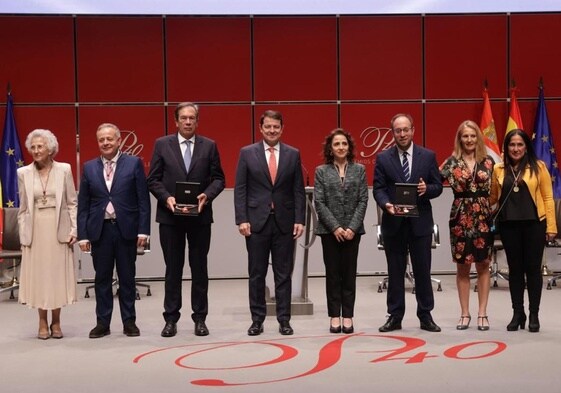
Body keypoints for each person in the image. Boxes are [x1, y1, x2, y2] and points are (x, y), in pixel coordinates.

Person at [147, 102, 225, 337]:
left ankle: (200, 318)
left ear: (197, 121)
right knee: (173, 269)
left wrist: (207, 195)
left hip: (199, 218)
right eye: (184, 118)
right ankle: (171, 319)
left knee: (199, 269)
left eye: (192, 118)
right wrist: (167, 198)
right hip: (170, 218)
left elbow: (219, 179)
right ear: (176, 121)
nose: (188, 122)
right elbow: (153, 179)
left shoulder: (209, 146)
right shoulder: (162, 145)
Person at [234, 109, 306, 336]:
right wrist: (241, 219)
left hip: (284, 223)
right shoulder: (247, 153)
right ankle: (257, 320)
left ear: (282, 129)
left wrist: (299, 219)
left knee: (283, 274)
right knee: (256, 274)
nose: (272, 130)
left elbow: (298, 190)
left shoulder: (293, 154)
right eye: (268, 127)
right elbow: (241, 189)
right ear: (261, 128)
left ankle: (284, 320)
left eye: (276, 127)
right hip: (256, 223)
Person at [78, 123, 151, 338]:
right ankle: (102, 323)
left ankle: (129, 322)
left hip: (125, 229)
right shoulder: (89, 167)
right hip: (100, 231)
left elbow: (143, 200)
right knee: (102, 278)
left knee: (127, 278)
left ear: (119, 140)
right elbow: (84, 204)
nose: (106, 143)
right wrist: (83, 234)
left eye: (110, 139)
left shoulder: (134, 163)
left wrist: (143, 231)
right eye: (102, 140)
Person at [373, 113, 443, 333]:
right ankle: (395, 316)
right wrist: (386, 205)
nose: (402, 134)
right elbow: (378, 189)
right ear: (392, 133)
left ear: (413, 130)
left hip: (420, 223)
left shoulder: (428, 156)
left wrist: (426, 189)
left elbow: (438, 186)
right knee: (395, 272)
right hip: (394, 223)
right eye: (397, 130)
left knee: (423, 270)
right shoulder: (384, 158)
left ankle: (426, 315)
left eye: (405, 129)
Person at [490, 129, 556, 333]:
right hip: (509, 225)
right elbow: (493, 198)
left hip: (535, 224)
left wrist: (551, 226)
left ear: (526, 146)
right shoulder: (498, 169)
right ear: (506, 148)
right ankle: (518, 313)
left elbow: (547, 198)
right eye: (512, 145)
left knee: (533, 270)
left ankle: (534, 314)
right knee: (515, 270)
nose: (516, 148)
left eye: (519, 144)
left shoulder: (539, 167)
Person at [17, 129, 77, 339]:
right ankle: (42, 321)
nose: (36, 150)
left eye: (40, 146)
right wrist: (23, 235)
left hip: (58, 229)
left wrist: (74, 229)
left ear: (50, 148)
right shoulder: (23, 173)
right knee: (40, 277)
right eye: (32, 147)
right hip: (35, 231)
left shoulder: (64, 170)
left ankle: (57, 321)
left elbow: (72, 203)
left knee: (56, 276)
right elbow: (23, 208)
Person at [440, 120, 494, 331]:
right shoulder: (451, 162)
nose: (469, 140)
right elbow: (434, 182)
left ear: (478, 138)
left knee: (483, 264)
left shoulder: (489, 161)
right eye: (465, 136)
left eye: (473, 136)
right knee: (462, 266)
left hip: (483, 218)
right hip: (460, 218)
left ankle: (482, 313)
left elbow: (498, 189)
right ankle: (464, 314)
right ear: (460, 139)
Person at [313, 128, 368, 334]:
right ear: (330, 148)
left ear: (349, 146)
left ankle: (348, 316)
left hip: (353, 232)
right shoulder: (321, 171)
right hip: (329, 232)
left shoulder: (359, 170)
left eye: (344, 143)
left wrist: (352, 227)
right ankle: (334, 315)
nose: (341, 147)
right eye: (336, 144)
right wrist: (335, 227)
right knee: (333, 275)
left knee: (349, 275)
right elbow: (319, 202)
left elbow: (363, 200)